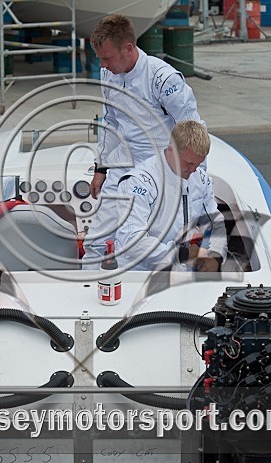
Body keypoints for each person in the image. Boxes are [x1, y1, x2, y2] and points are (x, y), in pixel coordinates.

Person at [83, 14, 205, 266]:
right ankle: (90, 292)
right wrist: (101, 168)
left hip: (159, 168)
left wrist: (196, 181)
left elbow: (193, 129)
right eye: (100, 59)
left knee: (150, 242)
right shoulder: (108, 75)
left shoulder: (163, 80)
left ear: (128, 48)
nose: (103, 66)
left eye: (107, 58)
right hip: (123, 164)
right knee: (96, 241)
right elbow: (110, 122)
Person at [114, 121, 227, 272]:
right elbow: (131, 240)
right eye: (188, 163)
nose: (193, 170)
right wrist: (182, 254)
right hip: (137, 274)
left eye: (198, 164)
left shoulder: (200, 178)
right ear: (171, 150)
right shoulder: (137, 183)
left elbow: (215, 222)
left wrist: (216, 256)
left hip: (179, 270)